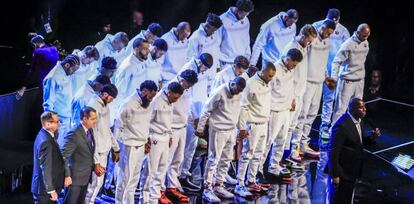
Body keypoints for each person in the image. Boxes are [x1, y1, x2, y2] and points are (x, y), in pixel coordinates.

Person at [197, 77, 246, 202]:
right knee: (214, 159)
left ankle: (219, 185)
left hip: (231, 130)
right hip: (218, 130)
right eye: (237, 89)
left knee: (226, 159)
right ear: (233, 83)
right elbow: (206, 109)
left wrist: (242, 128)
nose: (238, 93)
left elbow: (240, 111)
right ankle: (207, 189)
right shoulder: (220, 91)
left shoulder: (238, 93)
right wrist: (200, 127)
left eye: (241, 91)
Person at [293, 19, 336, 159]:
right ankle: (295, 146)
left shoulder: (327, 41)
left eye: (331, 34)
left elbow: (323, 62)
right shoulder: (311, 40)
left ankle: (304, 144)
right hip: (307, 83)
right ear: (322, 27)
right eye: (327, 32)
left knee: (311, 114)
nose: (328, 36)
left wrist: (326, 77)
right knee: (302, 114)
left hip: (318, 83)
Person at [327, 98, 380, 204]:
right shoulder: (342, 126)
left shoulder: (359, 121)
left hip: (352, 171)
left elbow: (357, 143)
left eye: (364, 107)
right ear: (352, 109)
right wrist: (334, 175)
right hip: (342, 173)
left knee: (347, 199)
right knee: (338, 200)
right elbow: (333, 151)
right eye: (361, 107)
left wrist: (372, 138)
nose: (365, 110)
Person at [235, 62, 276, 197]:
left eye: (272, 76)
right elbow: (243, 107)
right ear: (263, 71)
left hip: (263, 123)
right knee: (247, 154)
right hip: (252, 124)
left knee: (258, 154)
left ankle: (251, 180)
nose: (271, 78)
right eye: (269, 75)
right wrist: (242, 128)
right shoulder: (250, 84)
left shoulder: (267, 83)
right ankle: (239, 184)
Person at [114, 80, 158, 204]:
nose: (151, 99)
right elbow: (118, 126)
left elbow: (146, 123)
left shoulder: (148, 104)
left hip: (141, 145)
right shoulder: (129, 104)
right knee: (125, 179)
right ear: (144, 91)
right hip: (129, 146)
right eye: (150, 96)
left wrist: (147, 139)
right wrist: (115, 148)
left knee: (134, 179)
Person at [177, 53, 213, 191]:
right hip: (188, 115)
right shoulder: (189, 71)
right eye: (204, 67)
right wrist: (194, 116)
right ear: (199, 62)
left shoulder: (201, 72)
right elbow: (188, 96)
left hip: (198, 112)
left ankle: (184, 176)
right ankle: (176, 178)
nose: (205, 70)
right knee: (183, 149)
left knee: (191, 147)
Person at [266, 49, 303, 182]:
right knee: (268, 141)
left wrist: (292, 99)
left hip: (286, 110)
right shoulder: (274, 69)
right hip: (274, 110)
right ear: (288, 59)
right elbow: (268, 90)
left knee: (281, 140)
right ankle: (259, 169)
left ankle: (274, 165)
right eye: (294, 63)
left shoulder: (290, 69)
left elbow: (291, 86)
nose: (295, 66)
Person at [162, 70, 198, 202]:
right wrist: (168, 131)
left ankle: (172, 187)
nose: (189, 86)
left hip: (182, 127)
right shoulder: (171, 87)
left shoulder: (186, 89)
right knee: (166, 160)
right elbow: (166, 110)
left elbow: (187, 107)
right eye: (188, 83)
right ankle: (160, 189)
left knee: (178, 159)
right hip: (171, 128)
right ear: (182, 79)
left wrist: (193, 119)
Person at [145, 82, 184, 204]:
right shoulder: (156, 101)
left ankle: (155, 198)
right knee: (150, 171)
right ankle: (146, 200)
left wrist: (170, 135)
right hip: (155, 138)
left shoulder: (170, 102)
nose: (176, 100)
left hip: (165, 138)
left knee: (161, 170)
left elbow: (169, 121)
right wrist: (147, 139)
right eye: (175, 97)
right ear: (169, 92)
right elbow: (146, 121)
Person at [284, 24, 317, 162]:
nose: (309, 44)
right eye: (309, 41)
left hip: (300, 92)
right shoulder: (291, 48)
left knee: (294, 124)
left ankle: (291, 152)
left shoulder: (304, 47)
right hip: (291, 94)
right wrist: (291, 97)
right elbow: (288, 75)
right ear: (303, 36)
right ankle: (282, 157)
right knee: (286, 127)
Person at [317, 8, 351, 139]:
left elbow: (346, 54)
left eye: (335, 22)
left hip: (332, 71)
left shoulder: (343, 32)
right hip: (317, 68)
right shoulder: (316, 26)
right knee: (309, 102)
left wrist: (338, 73)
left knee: (329, 99)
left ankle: (325, 125)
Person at [84, 84, 120, 204]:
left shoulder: (105, 106)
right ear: (105, 94)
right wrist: (96, 161)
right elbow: (91, 135)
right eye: (111, 98)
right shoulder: (93, 106)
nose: (112, 101)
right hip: (96, 153)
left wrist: (116, 148)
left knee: (98, 184)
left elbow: (107, 129)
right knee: (92, 185)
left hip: (104, 151)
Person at [331, 24, 371, 124]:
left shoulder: (366, 42)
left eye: (367, 35)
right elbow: (336, 61)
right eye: (363, 35)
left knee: (358, 108)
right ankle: (335, 132)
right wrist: (334, 78)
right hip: (347, 80)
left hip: (359, 80)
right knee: (341, 109)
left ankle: (355, 133)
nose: (365, 37)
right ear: (357, 33)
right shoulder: (348, 44)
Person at [60, 107, 98, 204]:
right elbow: (63, 156)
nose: (95, 121)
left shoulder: (90, 131)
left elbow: (87, 153)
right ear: (85, 119)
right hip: (74, 180)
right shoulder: (74, 134)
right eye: (93, 119)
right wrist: (67, 175)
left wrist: (95, 166)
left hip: (85, 178)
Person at [43, 54, 80, 142]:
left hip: (67, 118)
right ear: (67, 65)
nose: (73, 72)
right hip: (58, 121)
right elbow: (48, 104)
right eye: (73, 69)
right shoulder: (53, 77)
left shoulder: (67, 73)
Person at [31, 111, 66, 204]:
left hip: (43, 188)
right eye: (57, 122)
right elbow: (45, 167)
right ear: (47, 124)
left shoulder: (44, 134)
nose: (59, 124)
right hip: (44, 191)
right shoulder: (46, 141)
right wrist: (51, 189)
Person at [16, 34, 59, 99]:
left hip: (45, 84)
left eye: (33, 45)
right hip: (57, 82)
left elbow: (31, 70)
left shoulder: (37, 51)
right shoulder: (54, 49)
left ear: (36, 43)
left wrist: (23, 89)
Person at [219, 0, 254, 68]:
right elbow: (216, 45)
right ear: (237, 10)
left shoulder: (246, 20)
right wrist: (217, 65)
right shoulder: (222, 20)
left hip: (241, 64)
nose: (244, 17)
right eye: (243, 15)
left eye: (246, 15)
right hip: (225, 64)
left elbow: (246, 42)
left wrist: (247, 58)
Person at [115, 38, 150, 103]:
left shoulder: (143, 61)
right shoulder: (128, 66)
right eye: (145, 49)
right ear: (136, 49)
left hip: (137, 103)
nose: (148, 52)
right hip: (127, 105)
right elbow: (119, 91)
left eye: (148, 48)